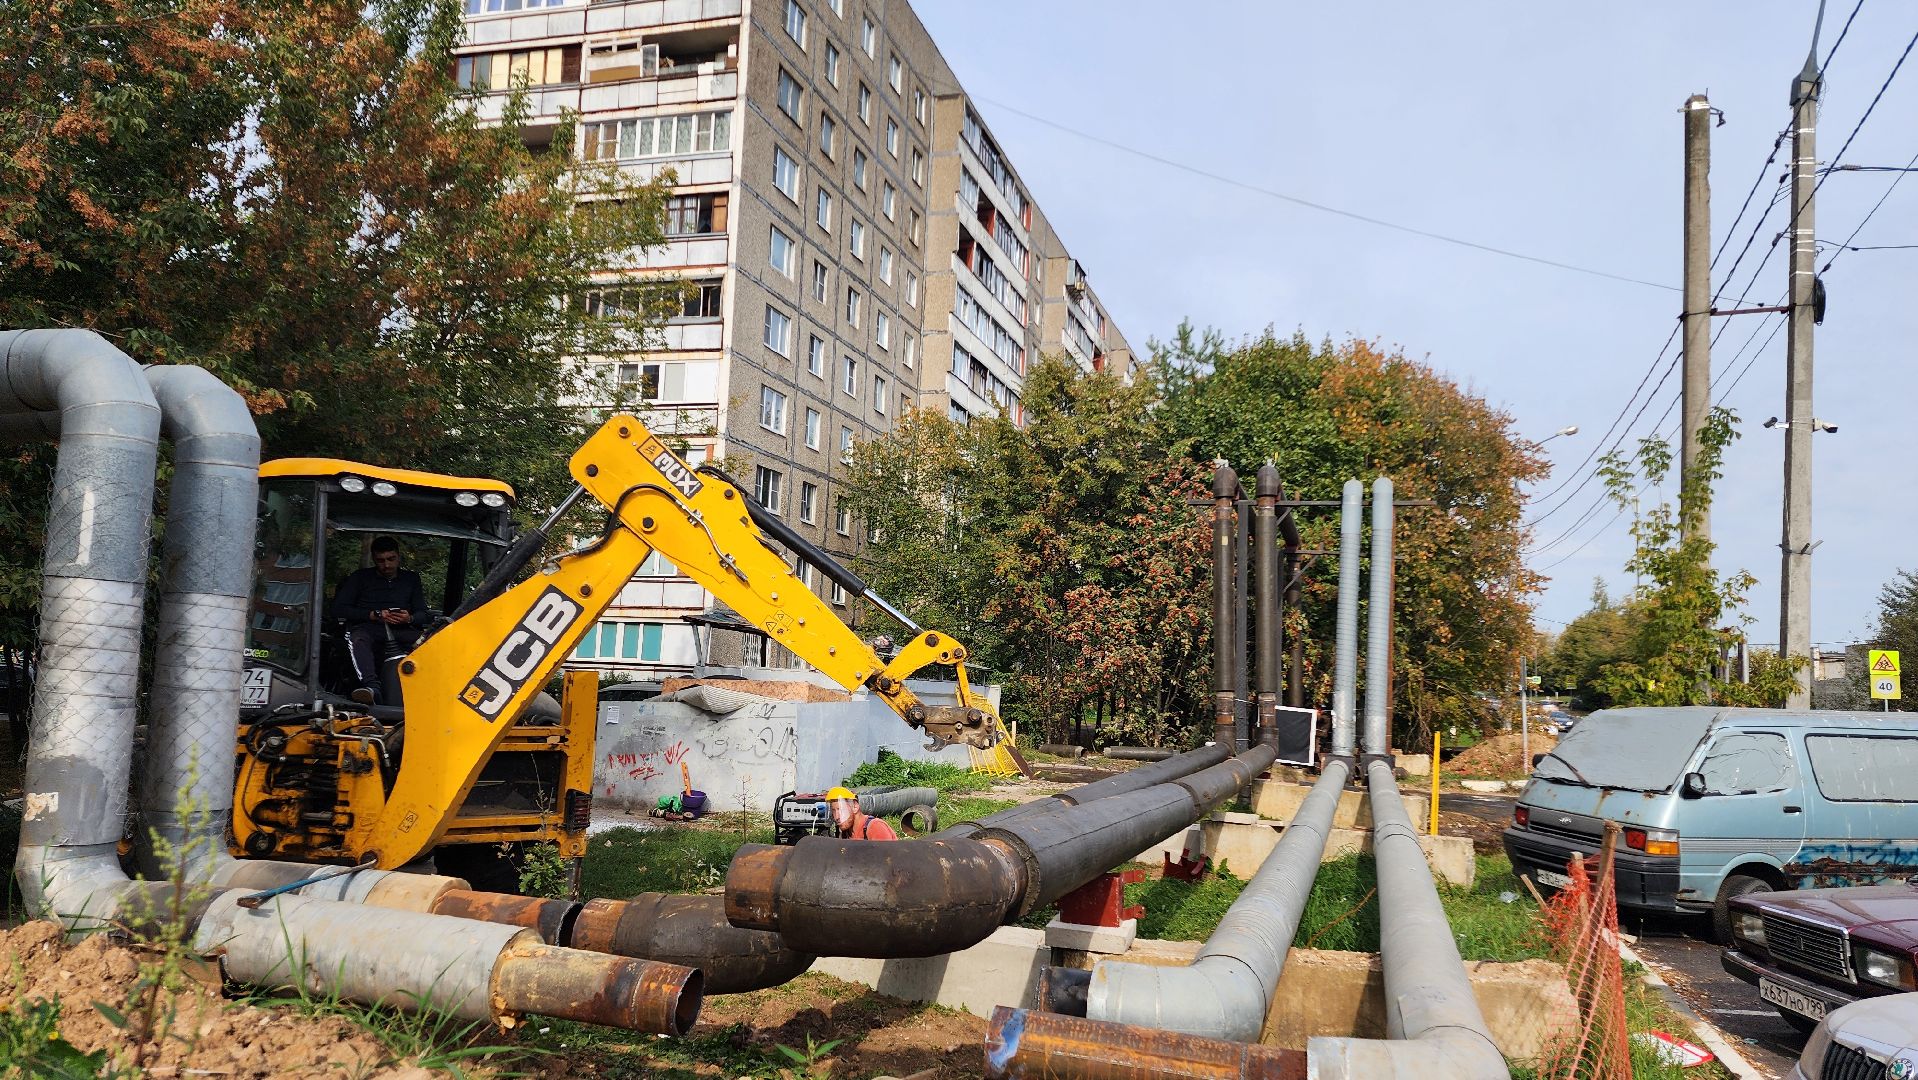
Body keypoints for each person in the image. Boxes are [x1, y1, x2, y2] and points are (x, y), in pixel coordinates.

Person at [331, 536, 427, 704]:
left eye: (391, 559)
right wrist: (372, 615)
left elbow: (424, 614)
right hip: (370, 628)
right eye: (380, 561)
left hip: (403, 630)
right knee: (358, 638)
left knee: (434, 638)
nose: (387, 565)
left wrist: (409, 618)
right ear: (374, 560)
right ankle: (372, 689)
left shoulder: (411, 579)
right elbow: (338, 609)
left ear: (399, 556)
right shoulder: (360, 578)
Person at [824, 786, 897, 841]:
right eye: (834, 811)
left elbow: (887, 858)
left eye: (842, 810)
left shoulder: (875, 827)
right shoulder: (846, 833)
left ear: (855, 807)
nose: (837, 817)